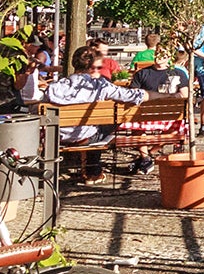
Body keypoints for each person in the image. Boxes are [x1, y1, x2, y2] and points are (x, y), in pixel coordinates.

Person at [47, 45, 148, 182]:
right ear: (92, 67)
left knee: (95, 124)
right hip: (87, 137)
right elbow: (132, 96)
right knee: (107, 121)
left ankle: (90, 170)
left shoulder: (55, 87)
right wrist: (158, 95)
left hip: (58, 135)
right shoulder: (100, 85)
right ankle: (92, 172)